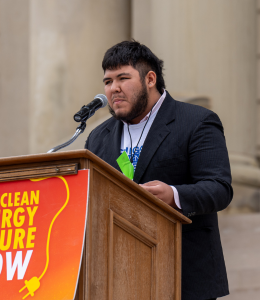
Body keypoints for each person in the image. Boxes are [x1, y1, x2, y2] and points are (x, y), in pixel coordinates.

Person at [84, 40, 233, 300]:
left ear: (150, 78)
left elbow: (219, 188)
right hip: (117, 278)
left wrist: (174, 195)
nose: (113, 89)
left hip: (184, 275)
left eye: (123, 78)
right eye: (108, 82)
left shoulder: (196, 122)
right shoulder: (98, 137)